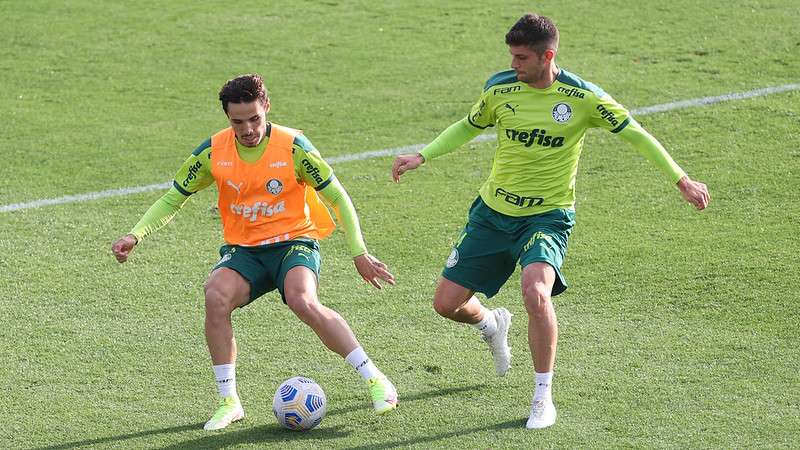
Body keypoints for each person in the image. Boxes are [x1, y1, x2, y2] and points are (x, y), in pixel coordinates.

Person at [391, 13, 709, 429]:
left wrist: (681, 179)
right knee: (445, 305)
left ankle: (543, 396)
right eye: (511, 56)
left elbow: (636, 134)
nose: (514, 64)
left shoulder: (583, 98)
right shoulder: (499, 89)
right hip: (493, 212)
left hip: (548, 215)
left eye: (522, 57)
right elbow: (469, 126)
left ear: (548, 56)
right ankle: (491, 323)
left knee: (535, 292)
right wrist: (423, 155)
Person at [112, 74, 398, 431]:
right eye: (238, 122)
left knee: (302, 300)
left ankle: (375, 378)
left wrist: (359, 252)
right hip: (245, 251)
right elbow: (174, 197)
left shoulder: (294, 146)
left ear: (266, 109)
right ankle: (228, 401)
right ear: (227, 119)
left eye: (254, 119)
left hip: (294, 242)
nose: (247, 129)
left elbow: (337, 196)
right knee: (215, 294)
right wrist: (135, 234)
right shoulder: (213, 152)